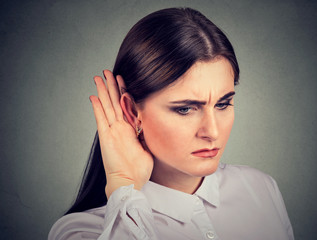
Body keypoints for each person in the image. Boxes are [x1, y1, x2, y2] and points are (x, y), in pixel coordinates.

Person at [48, 7, 294, 240]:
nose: (213, 132)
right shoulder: (82, 232)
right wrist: (124, 185)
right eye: (185, 109)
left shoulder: (261, 189)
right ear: (132, 111)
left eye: (222, 104)